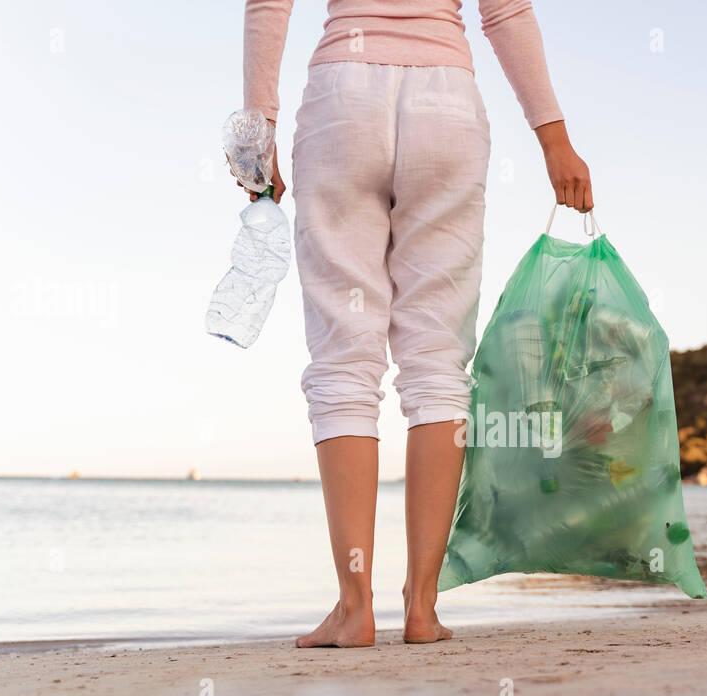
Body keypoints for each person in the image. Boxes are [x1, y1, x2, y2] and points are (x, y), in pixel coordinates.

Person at [241, 0, 593, 647]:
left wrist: (257, 128)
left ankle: (355, 609)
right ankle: (422, 609)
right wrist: (554, 141)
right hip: (447, 105)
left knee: (345, 359)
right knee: (436, 363)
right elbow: (506, 11)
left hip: (344, 96)